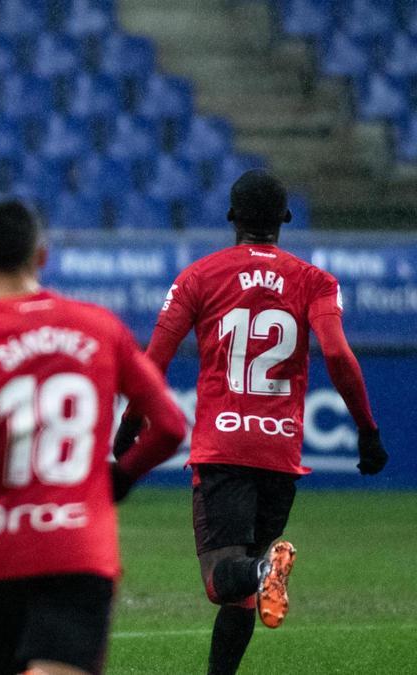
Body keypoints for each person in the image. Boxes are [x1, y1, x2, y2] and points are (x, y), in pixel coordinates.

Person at [0, 200, 187, 675]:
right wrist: (124, 476)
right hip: (78, 548)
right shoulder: (101, 327)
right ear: (41, 256)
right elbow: (170, 425)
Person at [113, 170, 388, 674]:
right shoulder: (315, 281)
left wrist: (131, 422)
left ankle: (266, 567)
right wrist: (366, 430)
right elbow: (339, 356)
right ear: (285, 218)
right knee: (241, 598)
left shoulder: (198, 276)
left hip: (223, 449)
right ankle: (262, 578)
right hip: (280, 454)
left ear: (231, 217)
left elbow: (153, 359)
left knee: (222, 580)